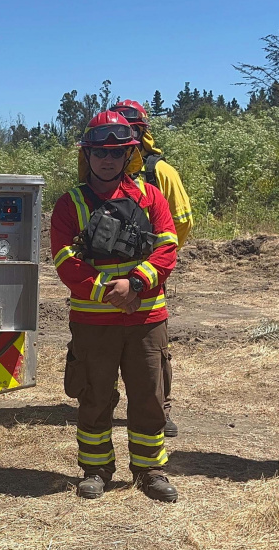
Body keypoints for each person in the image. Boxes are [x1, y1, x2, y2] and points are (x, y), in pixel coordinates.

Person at [51, 111, 179, 502]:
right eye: (99, 152)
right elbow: (64, 260)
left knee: (149, 396)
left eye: (116, 152)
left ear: (129, 156)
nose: (106, 159)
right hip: (94, 323)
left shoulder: (150, 196)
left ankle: (150, 470)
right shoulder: (70, 204)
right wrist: (112, 290)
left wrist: (136, 282)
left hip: (146, 319)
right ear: (87, 155)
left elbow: (167, 245)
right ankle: (95, 470)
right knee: (94, 394)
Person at [110, 100, 193, 437]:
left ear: (142, 131)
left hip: (149, 276)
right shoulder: (103, 169)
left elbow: (182, 222)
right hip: (108, 278)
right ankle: (104, 401)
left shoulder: (160, 172)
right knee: (104, 341)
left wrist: (157, 261)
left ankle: (161, 408)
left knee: (153, 347)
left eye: (131, 128)